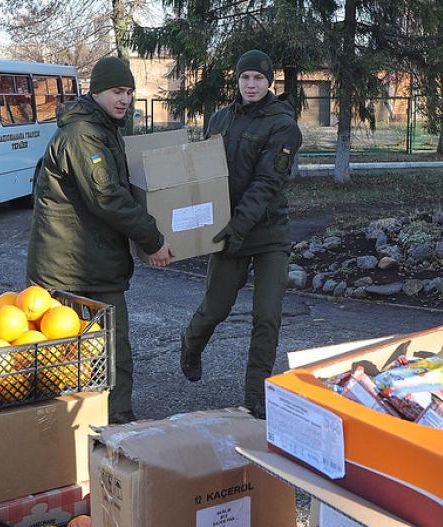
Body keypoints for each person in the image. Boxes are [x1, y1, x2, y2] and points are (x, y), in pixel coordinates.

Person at [26, 56, 174, 425]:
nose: (124, 99)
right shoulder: (82, 135)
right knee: (78, 356)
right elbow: (108, 196)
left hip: (93, 264)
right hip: (70, 272)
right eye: (116, 92)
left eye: (128, 92)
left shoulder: (103, 129)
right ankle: (89, 427)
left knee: (109, 351)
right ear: (96, 92)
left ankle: (112, 420)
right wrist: (153, 239)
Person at [179, 49, 302, 419]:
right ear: (238, 80)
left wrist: (238, 226)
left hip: (268, 233)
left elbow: (267, 183)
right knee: (215, 308)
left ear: (270, 82)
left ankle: (256, 393)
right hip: (227, 231)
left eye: (259, 79)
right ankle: (191, 346)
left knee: (267, 315)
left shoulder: (284, 126)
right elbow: (202, 176)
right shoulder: (219, 119)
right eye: (245, 78)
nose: (251, 84)